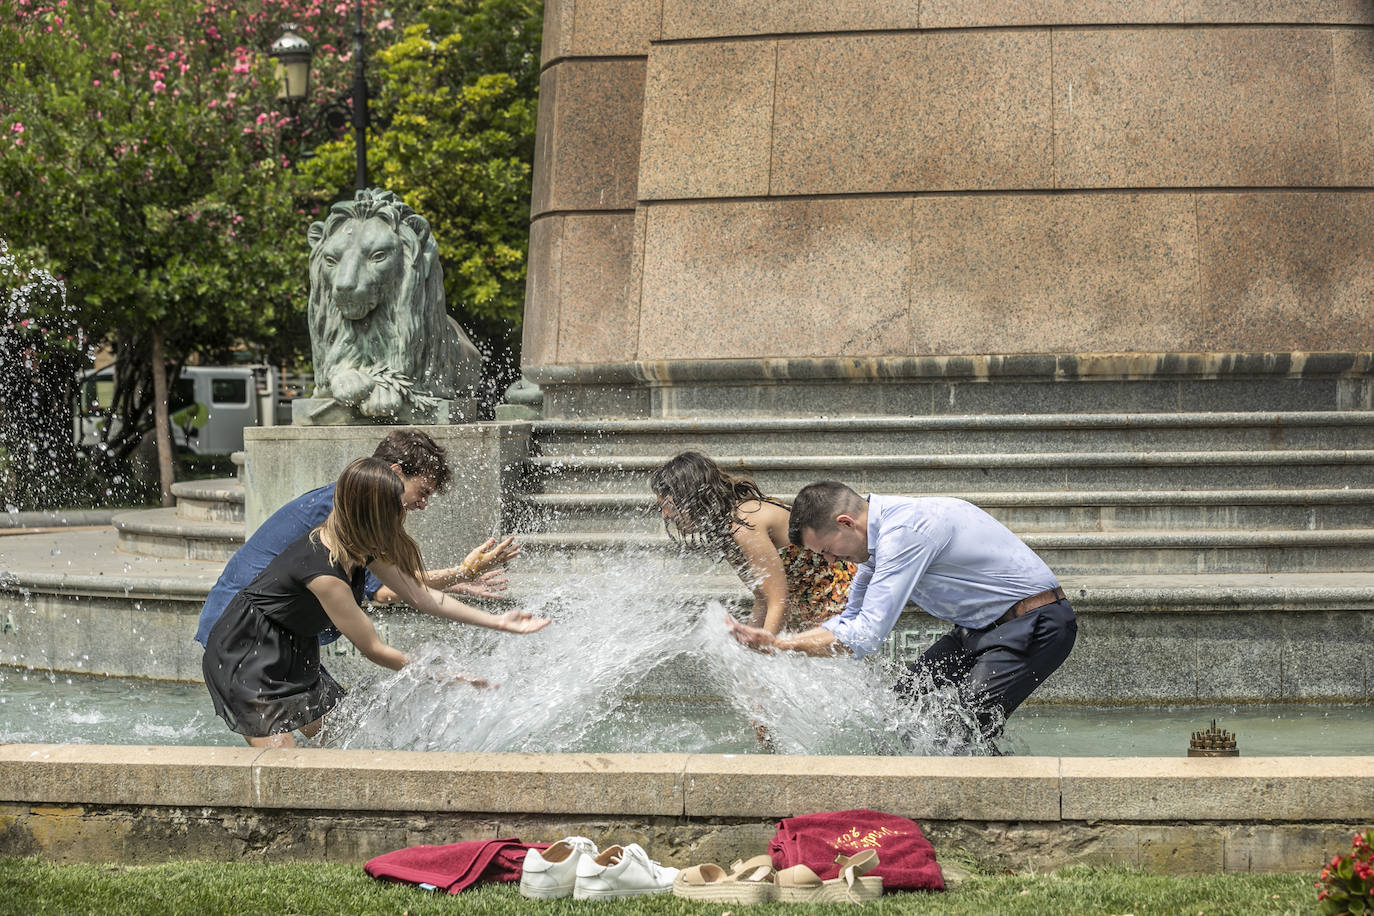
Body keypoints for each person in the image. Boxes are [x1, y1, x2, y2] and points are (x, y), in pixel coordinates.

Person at [202, 456, 550, 747]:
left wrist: (500, 621)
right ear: (374, 514)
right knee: (286, 769)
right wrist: (447, 677)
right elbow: (375, 650)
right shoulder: (324, 574)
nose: (405, 514)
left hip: (294, 647)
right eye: (398, 508)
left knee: (342, 745)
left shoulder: (363, 546)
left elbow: (418, 594)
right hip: (246, 654)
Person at [725, 481, 1077, 741]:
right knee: (903, 707)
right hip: (978, 630)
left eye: (828, 549)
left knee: (958, 731)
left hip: (1035, 624)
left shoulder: (905, 531)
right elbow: (850, 621)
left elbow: (866, 636)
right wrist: (780, 642)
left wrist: (781, 645)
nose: (831, 561)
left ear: (846, 522)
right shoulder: (872, 547)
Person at [194, 429, 518, 648]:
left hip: (268, 630)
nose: (423, 504)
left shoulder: (350, 503)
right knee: (321, 730)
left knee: (330, 728)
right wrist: (462, 573)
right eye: (423, 492)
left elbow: (403, 585)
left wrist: (456, 580)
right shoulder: (345, 513)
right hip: (242, 629)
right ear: (394, 472)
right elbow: (389, 592)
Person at [650, 451, 855, 633]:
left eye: (666, 505)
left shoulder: (745, 523)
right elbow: (762, 597)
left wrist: (763, 654)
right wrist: (746, 648)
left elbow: (779, 601)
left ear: (688, 496)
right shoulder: (727, 530)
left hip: (842, 603)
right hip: (815, 610)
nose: (664, 516)